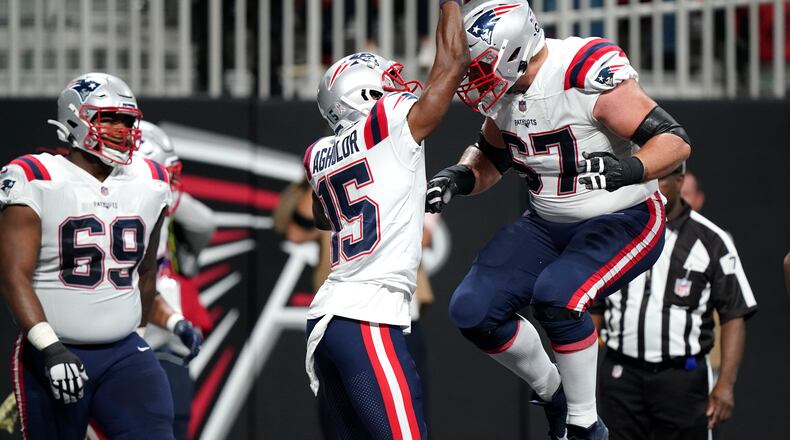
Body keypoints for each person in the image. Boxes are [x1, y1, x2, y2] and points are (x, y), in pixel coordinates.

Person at [425, 1, 691, 438]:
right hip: (546, 222)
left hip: (623, 217)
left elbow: (675, 142)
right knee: (473, 310)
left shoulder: (580, 74)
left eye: (479, 66)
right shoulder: (505, 89)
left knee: (558, 295)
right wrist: (459, 176)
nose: (472, 77)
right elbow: (491, 156)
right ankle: (554, 392)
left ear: (513, 50)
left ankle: (585, 424)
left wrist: (629, 169)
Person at [302, 1, 469, 437]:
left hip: (326, 319)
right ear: (362, 95)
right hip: (368, 317)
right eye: (386, 83)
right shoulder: (387, 122)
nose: (397, 89)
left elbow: (324, 216)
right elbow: (452, 64)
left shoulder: (318, 154)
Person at [0, 72, 176, 438]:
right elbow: (13, 274)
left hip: (125, 352)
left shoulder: (151, 180)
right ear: (73, 119)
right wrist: (50, 348)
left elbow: (147, 270)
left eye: (127, 120)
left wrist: (139, 333)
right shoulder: (36, 176)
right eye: (108, 118)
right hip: (54, 350)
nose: (121, 129)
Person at [590, 163, 757, 439]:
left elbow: (734, 314)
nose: (650, 189)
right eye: (644, 180)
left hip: (681, 378)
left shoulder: (711, 240)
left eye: (659, 180)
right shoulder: (616, 230)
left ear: (679, 181)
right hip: (621, 374)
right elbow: (594, 304)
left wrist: (726, 384)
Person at [137, 121, 212, 440]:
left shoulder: (165, 206)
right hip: (116, 335)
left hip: (160, 327)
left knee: (170, 421)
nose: (168, 181)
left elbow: (204, 222)